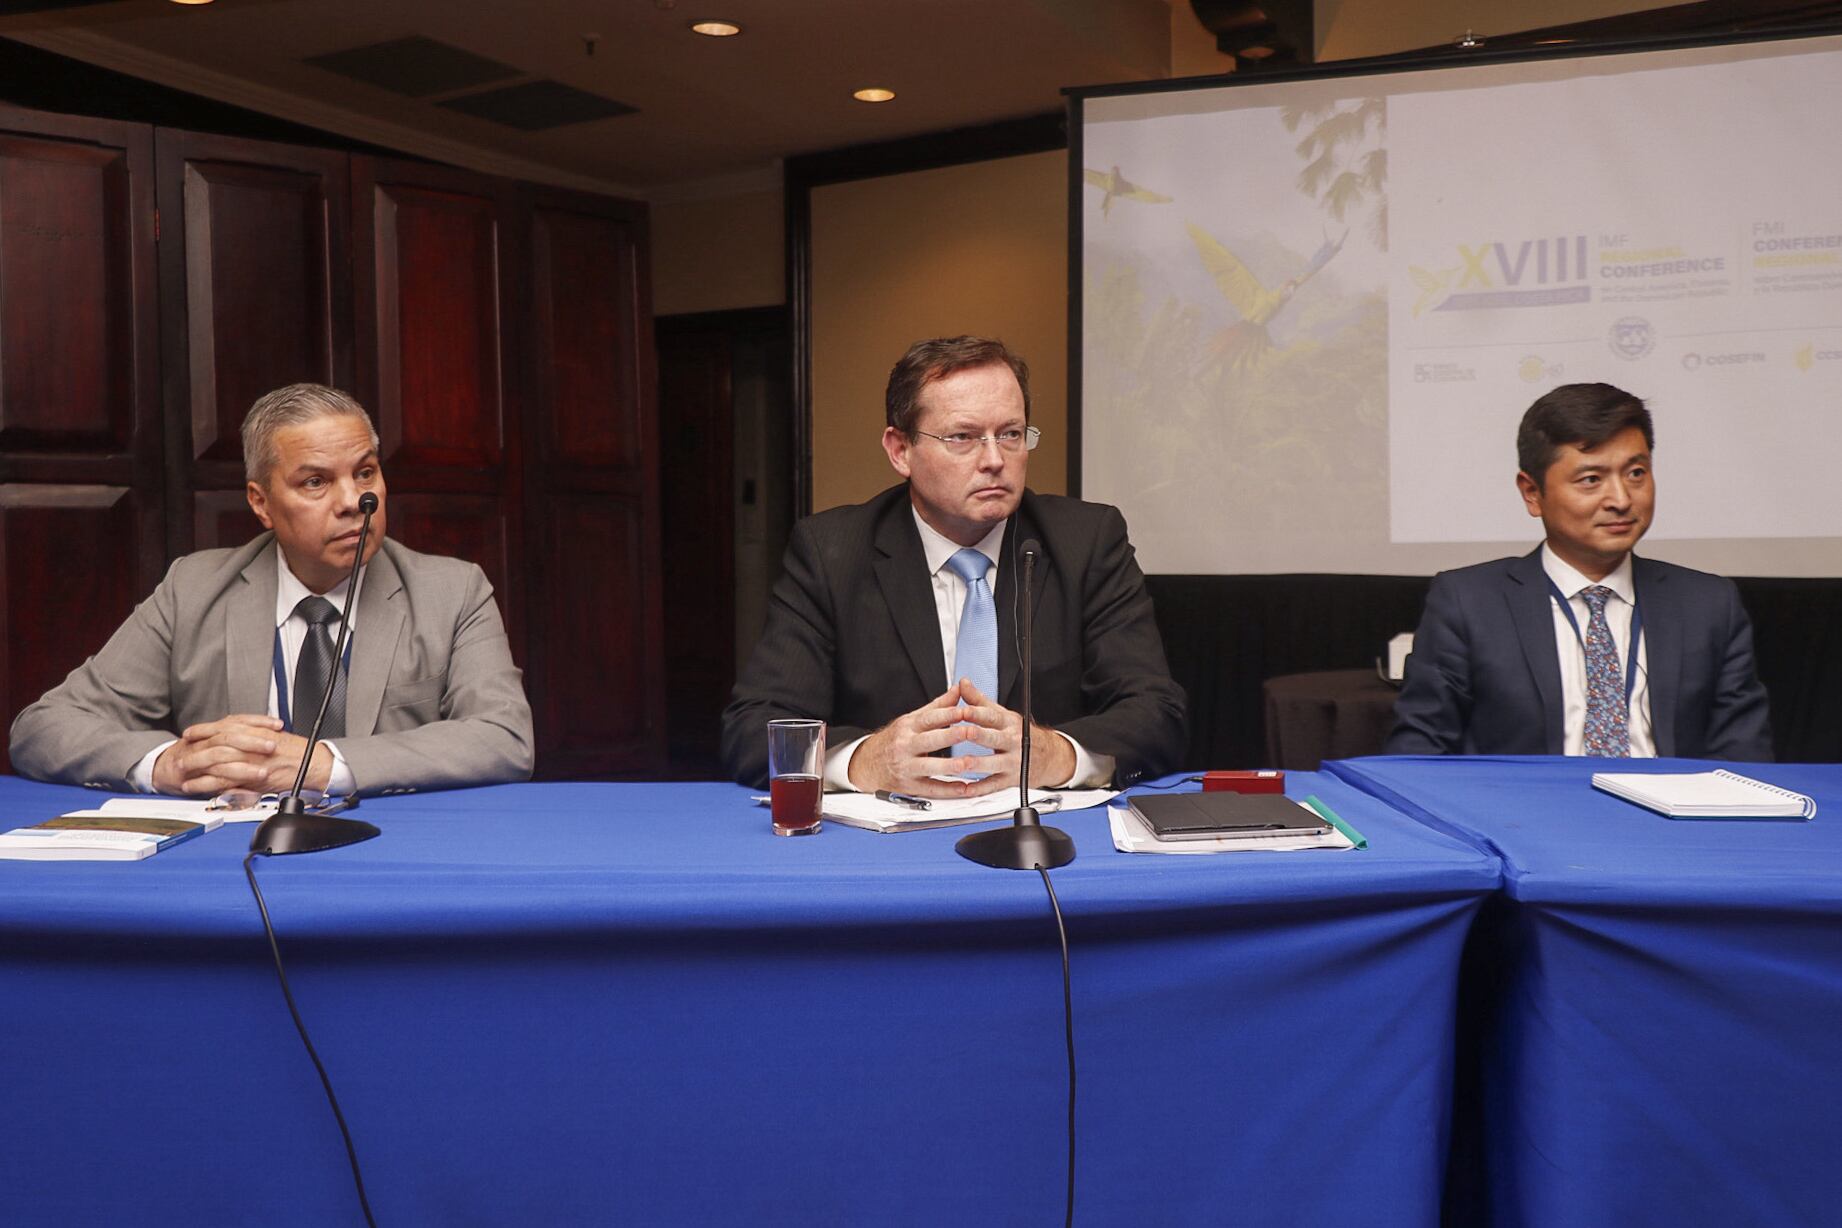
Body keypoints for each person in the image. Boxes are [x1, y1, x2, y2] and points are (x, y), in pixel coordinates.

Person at [10, 383, 535, 796]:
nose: (353, 501)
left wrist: (323, 764)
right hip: (234, 856)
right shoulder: (193, 590)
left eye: (365, 473)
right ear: (260, 503)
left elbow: (505, 737)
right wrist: (167, 764)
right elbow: (43, 728)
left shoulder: (453, 592)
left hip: (392, 852)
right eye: (315, 482)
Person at [721, 336, 1186, 796]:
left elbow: (1157, 714)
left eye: (1011, 434)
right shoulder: (832, 553)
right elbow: (754, 729)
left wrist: (1056, 754)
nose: (994, 460)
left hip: (1047, 831)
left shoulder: (1085, 542)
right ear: (900, 450)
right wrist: (866, 760)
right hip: (897, 833)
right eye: (963, 437)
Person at [1385, 382, 1772, 759]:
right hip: (1528, 802)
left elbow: (1744, 757)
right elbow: (1418, 752)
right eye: (1591, 480)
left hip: (1669, 802)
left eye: (1636, 473)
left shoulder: (1708, 604)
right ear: (1532, 493)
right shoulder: (1469, 602)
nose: (1621, 499)